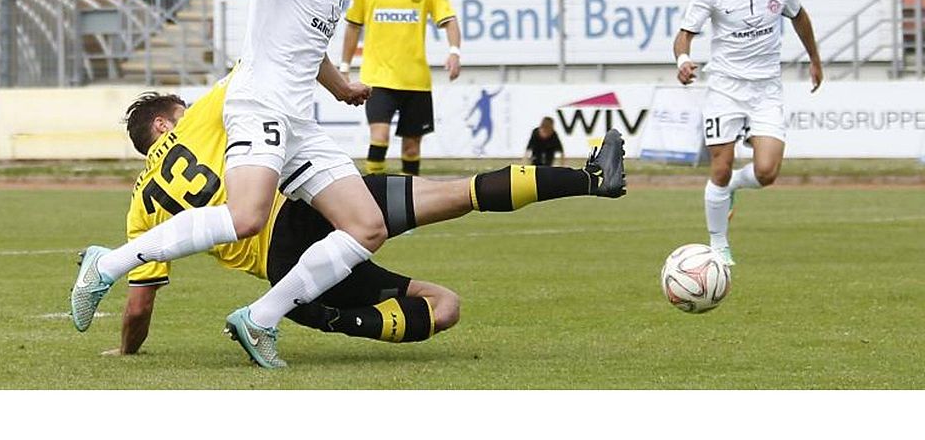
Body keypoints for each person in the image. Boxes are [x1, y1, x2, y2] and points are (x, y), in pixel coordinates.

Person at [71, 0, 404, 369]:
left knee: (366, 226)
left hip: (297, 121)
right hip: (259, 102)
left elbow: (306, 50)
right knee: (246, 216)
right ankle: (108, 264)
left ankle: (260, 319)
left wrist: (340, 88)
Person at [106, 91, 627, 357]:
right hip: (312, 203)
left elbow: (139, 304)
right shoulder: (203, 122)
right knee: (459, 192)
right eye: (183, 107)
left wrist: (127, 350)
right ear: (164, 123)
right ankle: (589, 178)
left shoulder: (139, 207)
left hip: (285, 265)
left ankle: (320, 316)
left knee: (442, 307)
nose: (192, 108)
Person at [673, 0, 823, 266]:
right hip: (724, 88)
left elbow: (799, 17)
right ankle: (718, 245)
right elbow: (685, 33)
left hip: (766, 89)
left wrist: (815, 59)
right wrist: (683, 59)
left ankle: (733, 190)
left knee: (767, 172)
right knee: (720, 168)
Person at [341, 0, 461, 177]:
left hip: (415, 80)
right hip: (378, 78)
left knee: (410, 149)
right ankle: (374, 195)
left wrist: (454, 52)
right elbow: (353, 27)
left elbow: (449, 19)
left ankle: (411, 203)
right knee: (380, 136)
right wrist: (344, 67)